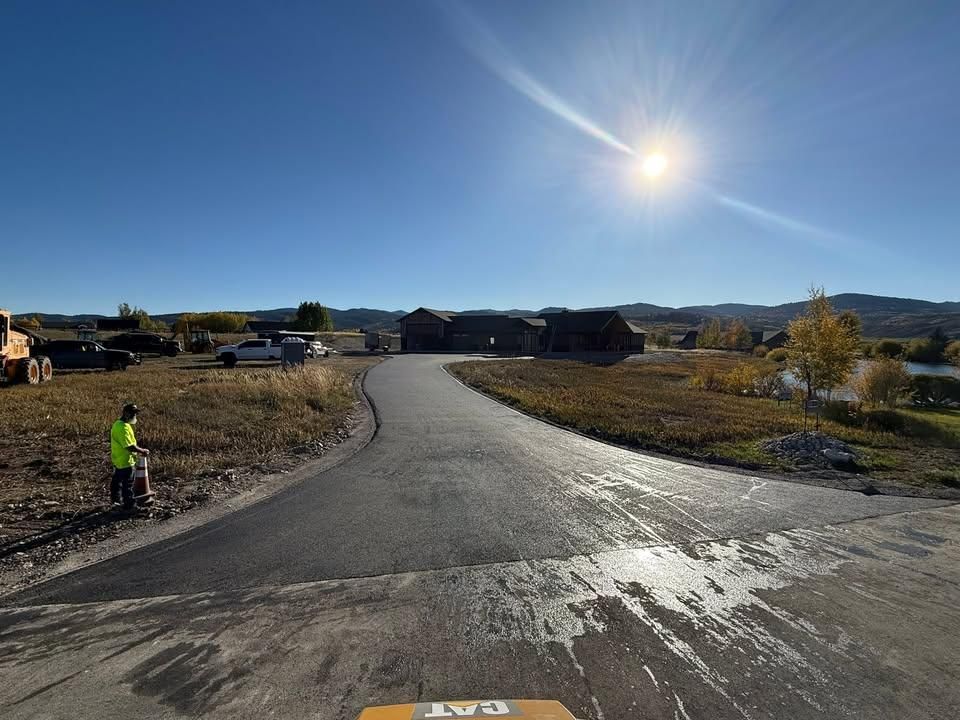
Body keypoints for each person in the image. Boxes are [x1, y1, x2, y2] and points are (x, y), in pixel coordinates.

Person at [110, 403, 150, 510]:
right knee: (127, 485)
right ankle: (130, 506)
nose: (135, 417)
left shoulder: (119, 424)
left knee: (117, 482)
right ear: (127, 414)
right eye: (133, 414)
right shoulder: (122, 428)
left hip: (119, 460)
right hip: (125, 461)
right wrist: (142, 451)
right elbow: (129, 446)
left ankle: (116, 502)